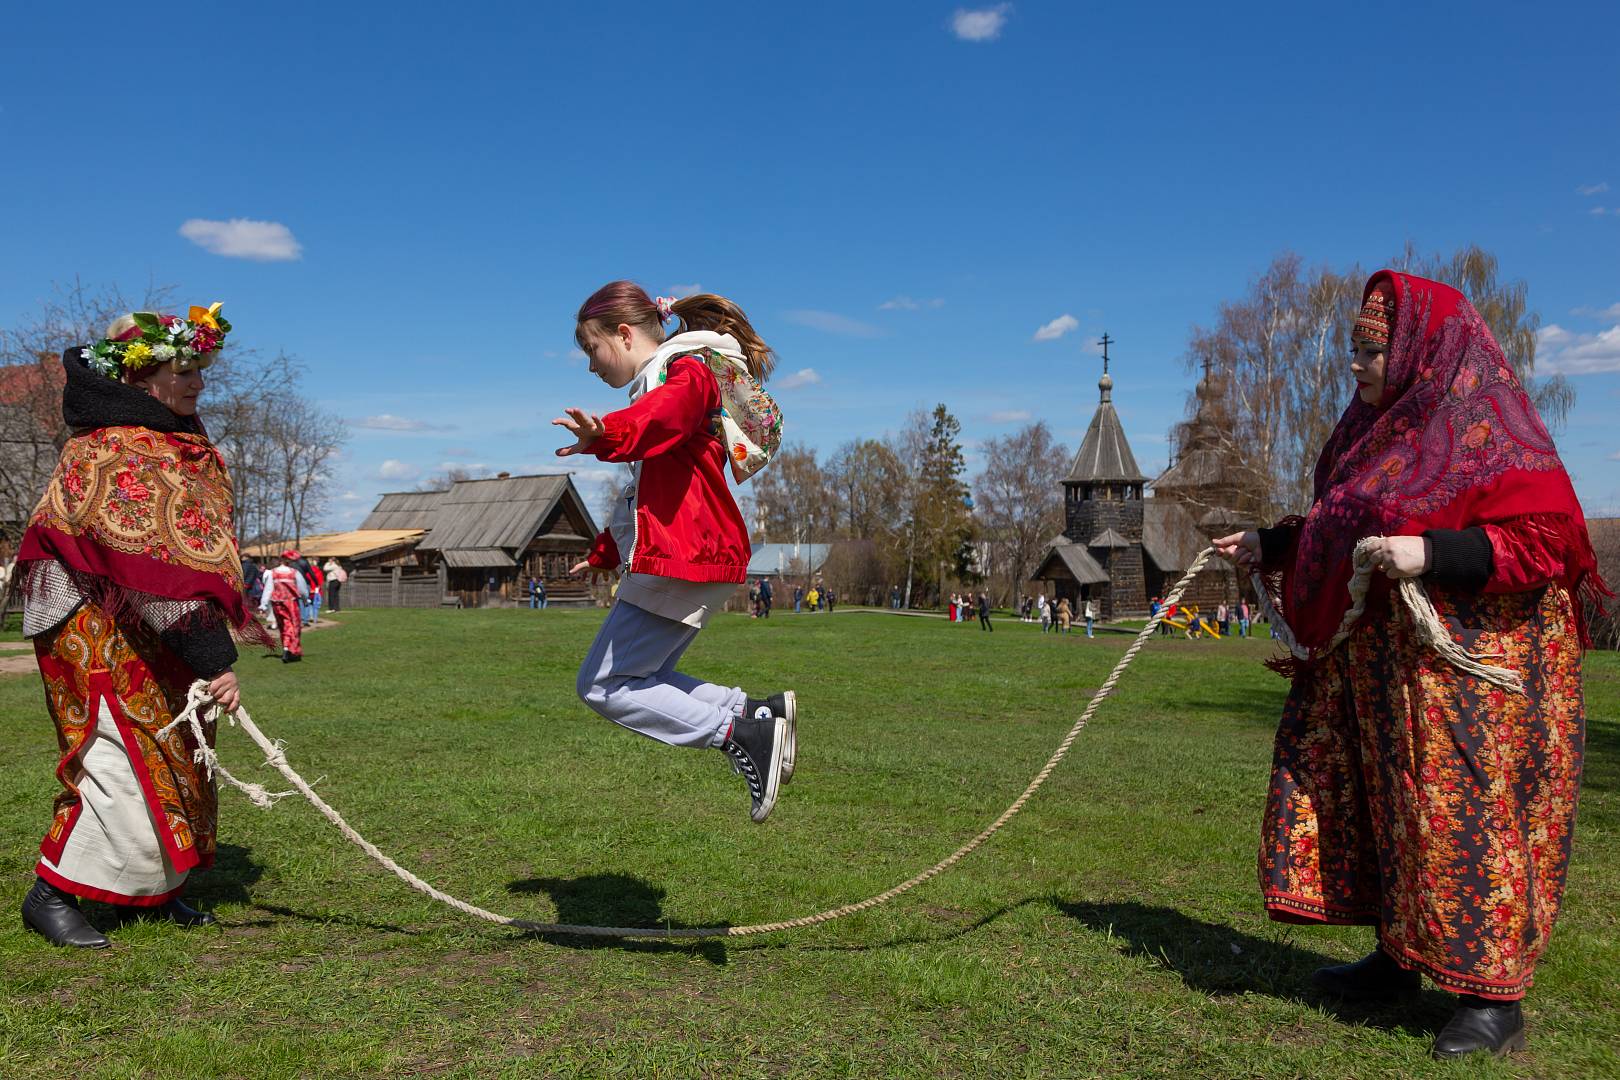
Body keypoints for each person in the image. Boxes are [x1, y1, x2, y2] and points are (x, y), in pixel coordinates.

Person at [1214, 270, 1605, 1060]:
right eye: (1352, 350)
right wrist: (1276, 542)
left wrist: (1430, 551)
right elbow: (1344, 520)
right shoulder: (1370, 429)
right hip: (1386, 672)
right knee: (1389, 808)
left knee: (1469, 821)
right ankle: (1399, 962)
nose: (1355, 367)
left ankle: (1493, 1003)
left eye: (1371, 351)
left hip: (1474, 680)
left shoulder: (1487, 423)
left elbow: (1546, 542)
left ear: (1424, 353)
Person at [12, 304, 273, 948]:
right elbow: (153, 563)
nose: (197, 383)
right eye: (183, 370)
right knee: (119, 755)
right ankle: (51, 893)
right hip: (97, 628)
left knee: (176, 749)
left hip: (147, 629)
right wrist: (215, 658)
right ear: (140, 378)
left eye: (200, 370)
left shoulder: (165, 439)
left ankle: (155, 889)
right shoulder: (118, 447)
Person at [558, 282, 793, 823]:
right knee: (643, 679)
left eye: (592, 350)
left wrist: (608, 434)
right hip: (690, 554)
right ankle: (755, 712)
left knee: (604, 685)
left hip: (687, 554)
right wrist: (602, 551)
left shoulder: (683, 371)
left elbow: (669, 415)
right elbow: (648, 491)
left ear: (623, 334)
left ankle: (746, 735)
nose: (591, 367)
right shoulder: (662, 378)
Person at [260, 552, 308, 662]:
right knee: (293, 625)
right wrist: (305, 600)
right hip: (290, 602)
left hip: (277, 603)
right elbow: (302, 588)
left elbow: (268, 589)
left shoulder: (273, 573)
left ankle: (286, 648)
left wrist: (263, 604)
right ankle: (290, 650)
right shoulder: (294, 572)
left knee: (283, 626)